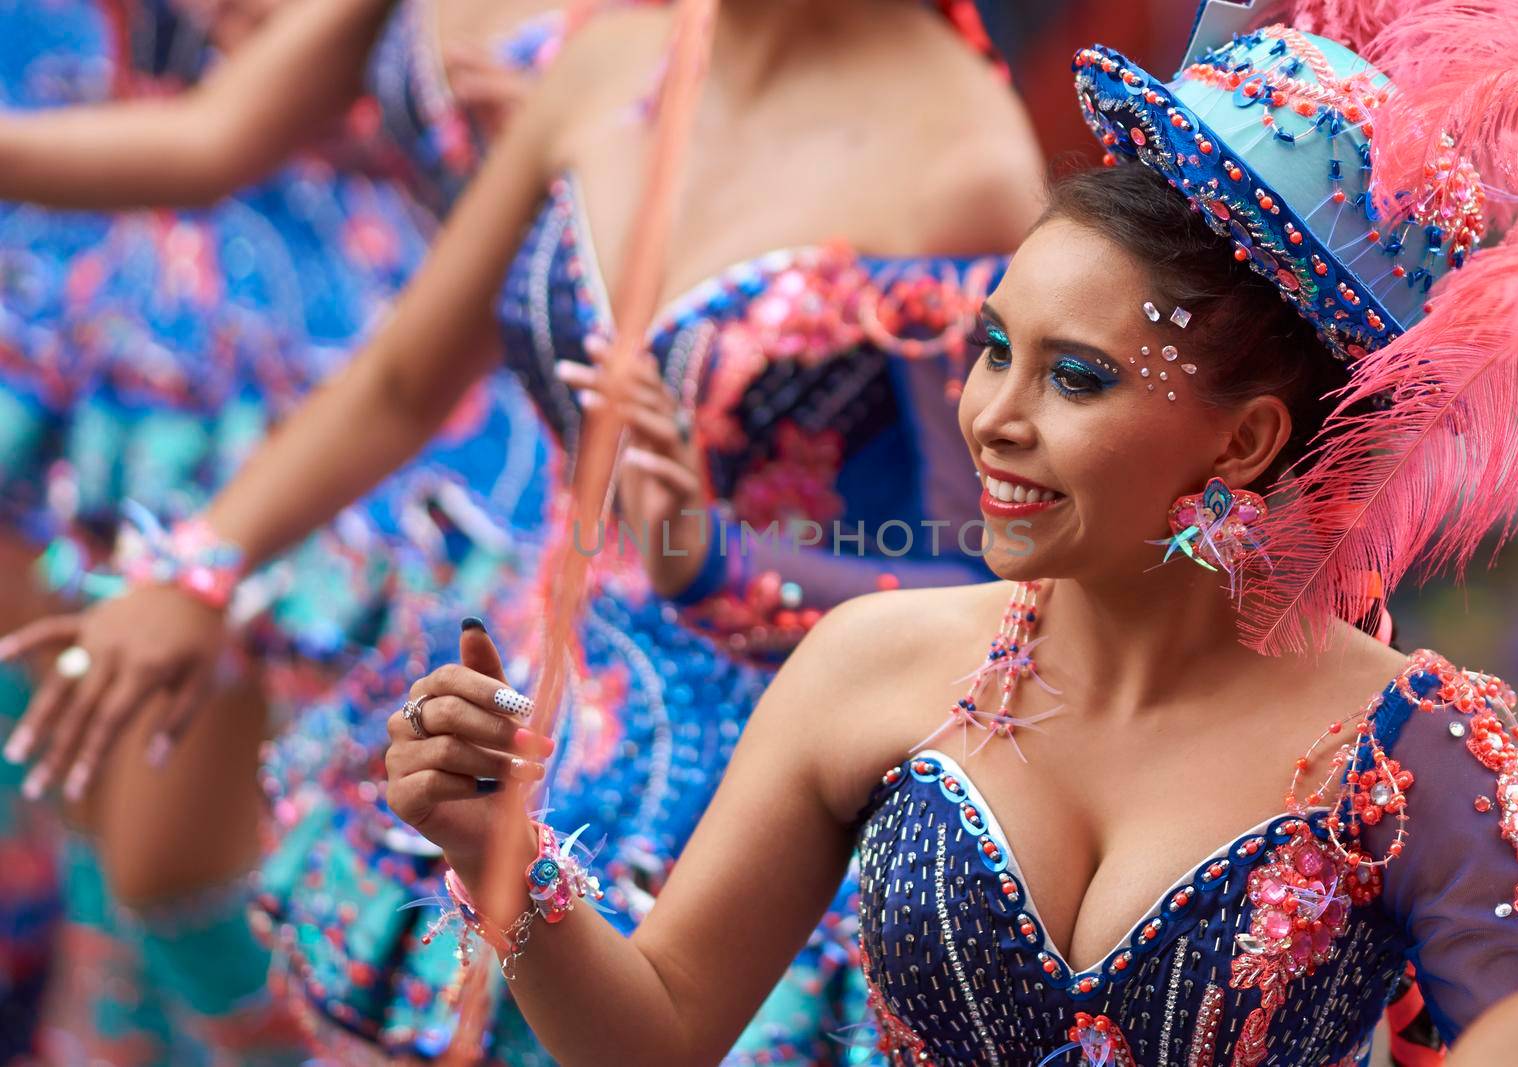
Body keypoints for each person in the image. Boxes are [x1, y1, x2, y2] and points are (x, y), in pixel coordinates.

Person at [385, 1, 1518, 1062]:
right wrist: (501, 848)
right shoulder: (872, 663)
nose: (992, 420)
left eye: (1075, 379)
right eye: (992, 349)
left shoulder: (1411, 749)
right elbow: (655, 1030)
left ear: (1242, 442)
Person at [7, 0, 1044, 1059]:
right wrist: (197, 568)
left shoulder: (966, 166)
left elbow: (1006, 576)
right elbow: (406, 376)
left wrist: (720, 562)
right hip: (516, 700)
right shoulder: (618, 61)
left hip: (745, 817)